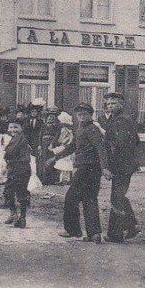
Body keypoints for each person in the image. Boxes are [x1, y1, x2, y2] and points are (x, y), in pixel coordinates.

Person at [54, 102, 110, 243]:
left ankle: (73, 230)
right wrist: (56, 157)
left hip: (87, 168)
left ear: (91, 115)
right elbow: (72, 146)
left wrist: (105, 168)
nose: (81, 117)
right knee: (89, 199)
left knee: (71, 198)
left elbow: (100, 148)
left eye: (84, 114)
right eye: (79, 115)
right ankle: (94, 233)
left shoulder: (91, 129)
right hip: (89, 168)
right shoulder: (80, 129)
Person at [102, 92, 142, 243]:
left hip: (122, 164)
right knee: (117, 196)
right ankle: (119, 232)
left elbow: (120, 144)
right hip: (123, 163)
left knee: (117, 197)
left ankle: (127, 227)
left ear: (121, 104)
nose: (110, 106)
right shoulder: (116, 119)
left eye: (114, 103)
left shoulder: (122, 120)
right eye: (108, 104)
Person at [3, 119, 33, 228]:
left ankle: (14, 214)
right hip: (21, 168)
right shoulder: (17, 138)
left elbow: (10, 152)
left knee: (9, 191)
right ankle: (21, 217)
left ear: (21, 128)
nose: (12, 129)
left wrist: (5, 154)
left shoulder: (20, 139)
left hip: (18, 168)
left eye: (15, 127)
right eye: (11, 127)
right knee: (21, 192)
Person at [38, 107, 61, 185]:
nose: (50, 118)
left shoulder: (57, 125)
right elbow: (40, 135)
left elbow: (57, 135)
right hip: (44, 144)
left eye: (52, 117)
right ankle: (44, 179)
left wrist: (52, 143)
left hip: (52, 144)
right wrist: (39, 145)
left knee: (51, 160)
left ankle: (52, 179)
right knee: (43, 160)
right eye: (49, 117)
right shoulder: (44, 125)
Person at [51, 111, 74, 185]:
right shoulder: (69, 131)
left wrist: (58, 144)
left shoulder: (65, 130)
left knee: (64, 163)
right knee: (65, 164)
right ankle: (65, 179)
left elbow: (61, 139)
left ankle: (64, 180)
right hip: (66, 146)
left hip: (64, 146)